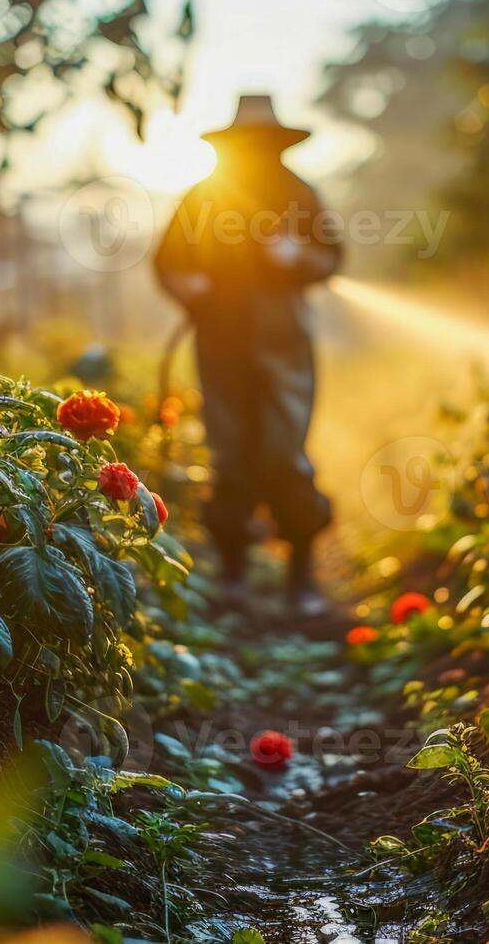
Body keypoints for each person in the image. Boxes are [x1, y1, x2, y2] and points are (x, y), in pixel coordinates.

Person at [153, 94, 341, 617]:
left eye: (264, 143)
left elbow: (332, 257)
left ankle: (302, 578)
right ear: (232, 145)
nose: (255, 151)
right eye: (247, 143)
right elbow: (167, 262)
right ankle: (233, 574)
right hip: (220, 343)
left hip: (286, 348)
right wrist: (185, 283)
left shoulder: (299, 193)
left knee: (285, 455)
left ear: (278, 145)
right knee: (231, 456)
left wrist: (297, 255)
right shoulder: (201, 197)